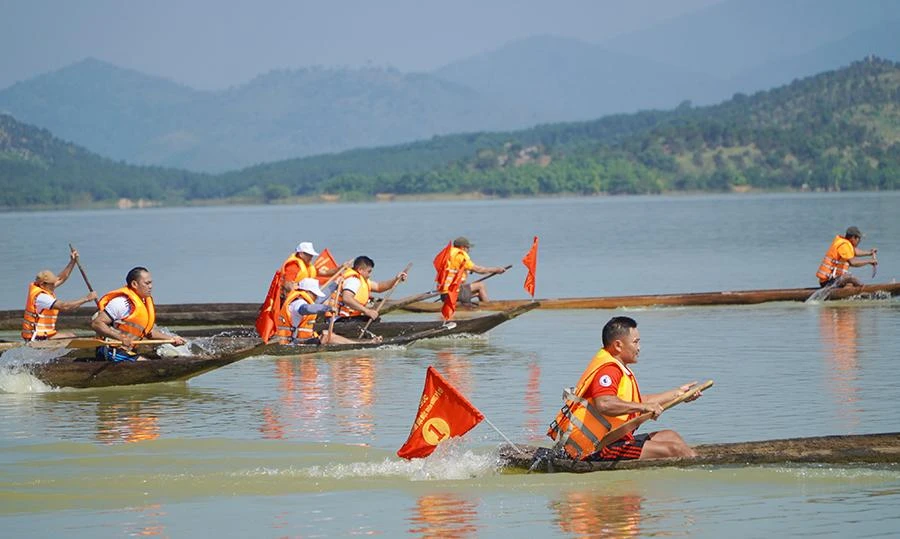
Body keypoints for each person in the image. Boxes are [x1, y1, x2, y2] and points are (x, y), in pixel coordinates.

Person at [547, 316, 701, 461]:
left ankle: (695, 461)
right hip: (595, 449)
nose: (639, 348)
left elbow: (640, 401)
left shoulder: (619, 368)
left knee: (670, 436)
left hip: (611, 440)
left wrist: (679, 394)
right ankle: (702, 469)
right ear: (618, 345)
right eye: (635, 342)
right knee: (674, 449)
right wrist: (645, 407)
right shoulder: (609, 370)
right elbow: (604, 403)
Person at [90, 267, 186, 355]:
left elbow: (148, 332)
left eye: (151, 283)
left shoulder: (143, 302)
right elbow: (97, 323)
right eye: (147, 283)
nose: (151, 286)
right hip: (112, 352)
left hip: (128, 350)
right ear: (134, 284)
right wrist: (120, 338)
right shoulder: (122, 303)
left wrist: (171, 339)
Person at [275, 278, 380, 345]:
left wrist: (335, 284)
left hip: (298, 339)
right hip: (291, 343)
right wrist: (327, 308)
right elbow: (307, 309)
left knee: (325, 333)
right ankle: (362, 344)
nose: (316, 296)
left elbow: (319, 300)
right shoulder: (298, 303)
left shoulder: (302, 298)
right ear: (307, 292)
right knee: (327, 337)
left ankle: (361, 343)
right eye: (314, 293)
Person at [22, 249, 98, 340]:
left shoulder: (45, 288)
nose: (55, 284)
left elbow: (62, 278)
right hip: (37, 337)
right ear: (43, 284)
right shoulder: (42, 297)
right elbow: (65, 306)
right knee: (72, 337)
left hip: (45, 334)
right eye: (52, 284)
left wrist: (72, 262)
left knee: (70, 335)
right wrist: (87, 298)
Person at [437, 237, 506, 304]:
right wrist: (496, 269)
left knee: (477, 292)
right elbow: (480, 270)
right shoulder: (460, 255)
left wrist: (467, 270)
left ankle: (477, 306)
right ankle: (489, 307)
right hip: (454, 293)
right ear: (463, 247)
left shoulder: (447, 254)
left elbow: (453, 269)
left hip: (444, 295)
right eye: (468, 248)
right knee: (481, 285)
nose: (469, 250)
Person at [337, 256, 407, 320]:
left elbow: (379, 287)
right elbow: (347, 298)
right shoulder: (353, 280)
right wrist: (366, 311)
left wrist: (396, 279)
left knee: (375, 319)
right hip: (342, 318)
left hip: (352, 316)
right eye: (369, 272)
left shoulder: (362, 280)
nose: (370, 275)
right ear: (360, 270)